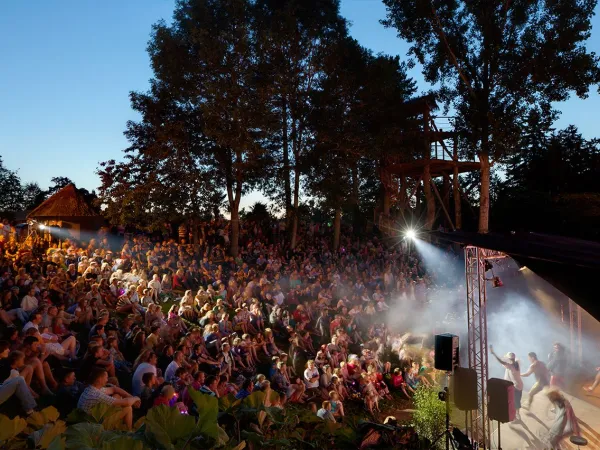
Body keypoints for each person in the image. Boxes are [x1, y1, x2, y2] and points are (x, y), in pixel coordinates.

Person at [490, 345, 523, 421]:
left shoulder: (510, 366)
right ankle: (516, 415)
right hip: (520, 385)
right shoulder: (517, 363)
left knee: (513, 402)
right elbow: (507, 360)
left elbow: (501, 361)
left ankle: (515, 417)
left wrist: (494, 353)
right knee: (516, 401)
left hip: (516, 386)